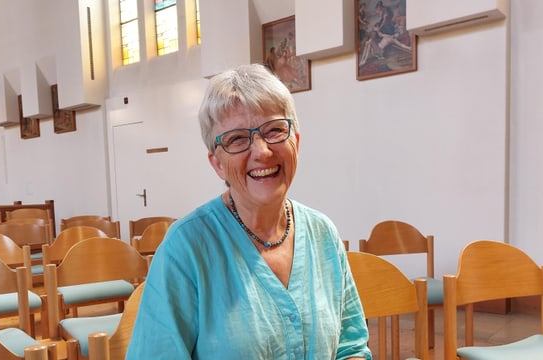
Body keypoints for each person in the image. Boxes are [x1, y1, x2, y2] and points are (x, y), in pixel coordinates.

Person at [126, 63, 371, 360]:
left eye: (275, 130)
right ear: (216, 163)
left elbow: (350, 347)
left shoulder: (323, 233)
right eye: (237, 139)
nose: (262, 151)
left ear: (296, 141)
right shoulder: (186, 248)